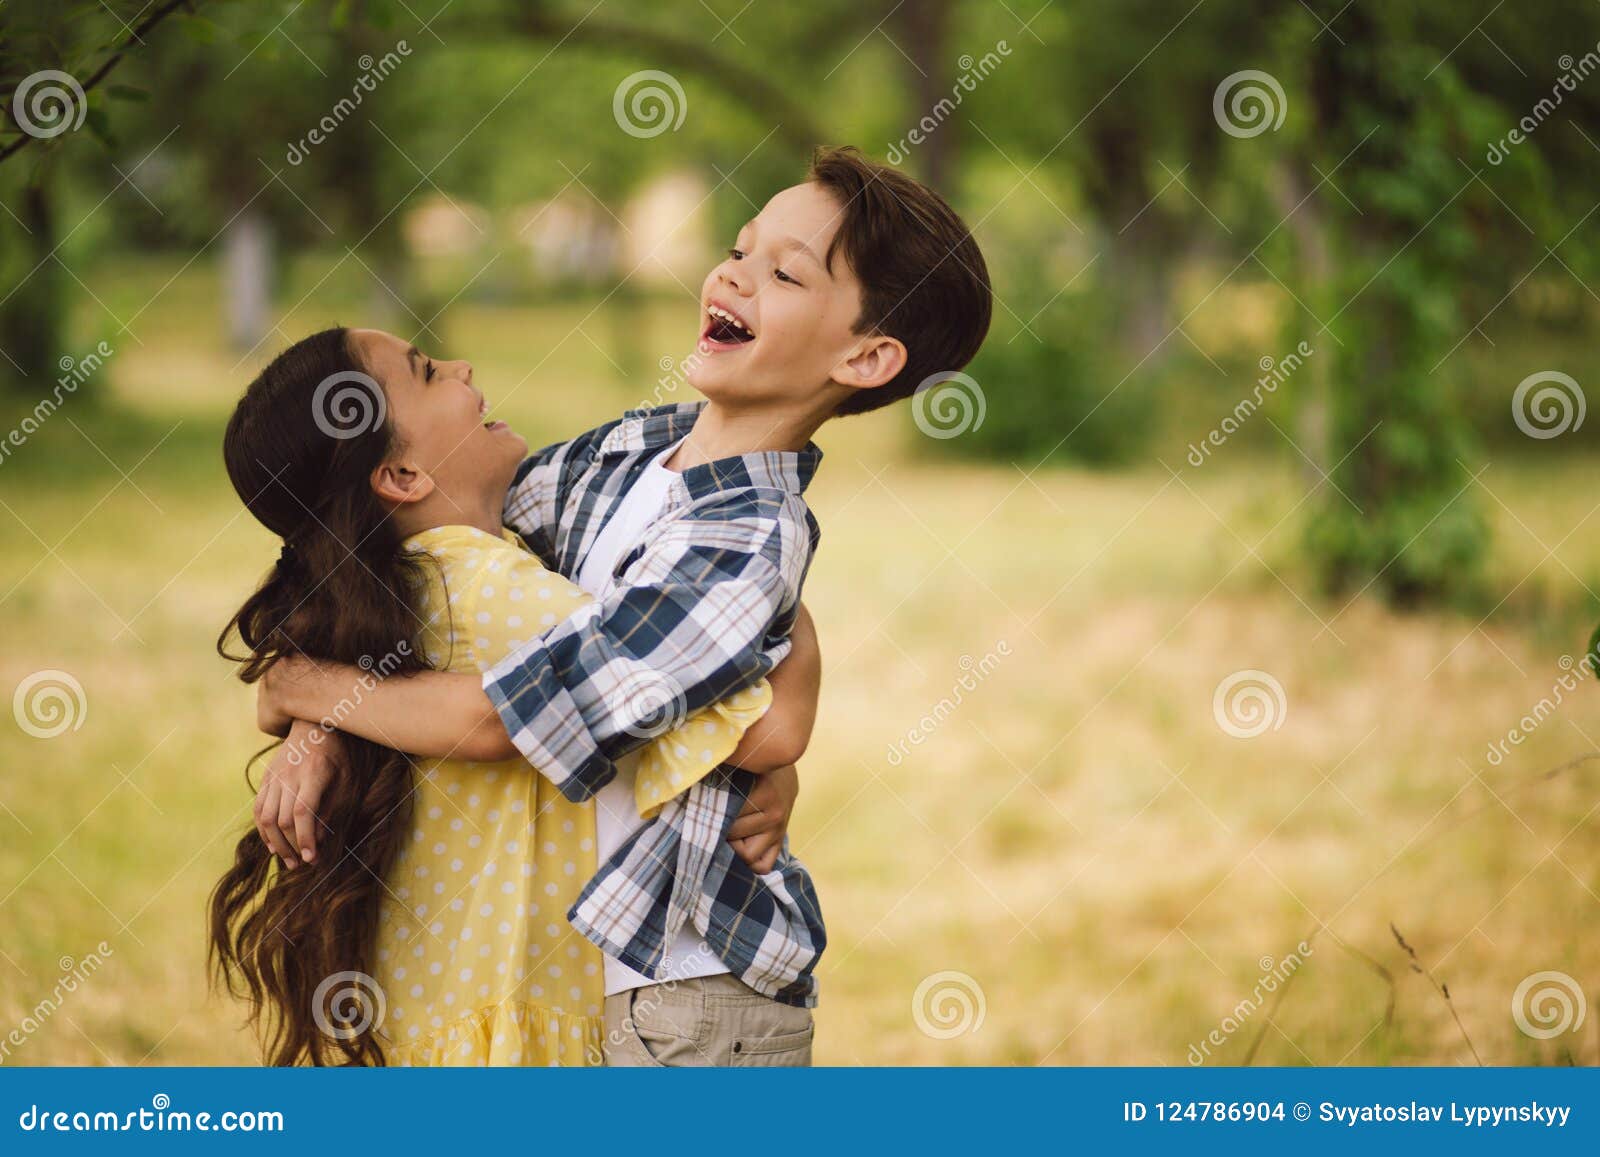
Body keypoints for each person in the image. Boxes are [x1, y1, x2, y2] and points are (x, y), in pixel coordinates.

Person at [256, 145, 993, 1065]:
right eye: (741, 246)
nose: (733, 272)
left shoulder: (751, 538)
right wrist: (317, 724)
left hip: (692, 997)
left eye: (784, 272)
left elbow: (508, 716)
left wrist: (305, 689)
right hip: (590, 986)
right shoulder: (626, 454)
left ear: (867, 355)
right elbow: (395, 539)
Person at [210, 326, 819, 1065]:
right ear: (400, 474)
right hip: (524, 1017)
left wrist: (302, 700)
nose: (463, 365)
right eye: (429, 372)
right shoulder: (499, 592)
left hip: (442, 1013)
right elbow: (731, 710)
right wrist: (783, 682)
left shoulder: (396, 594)